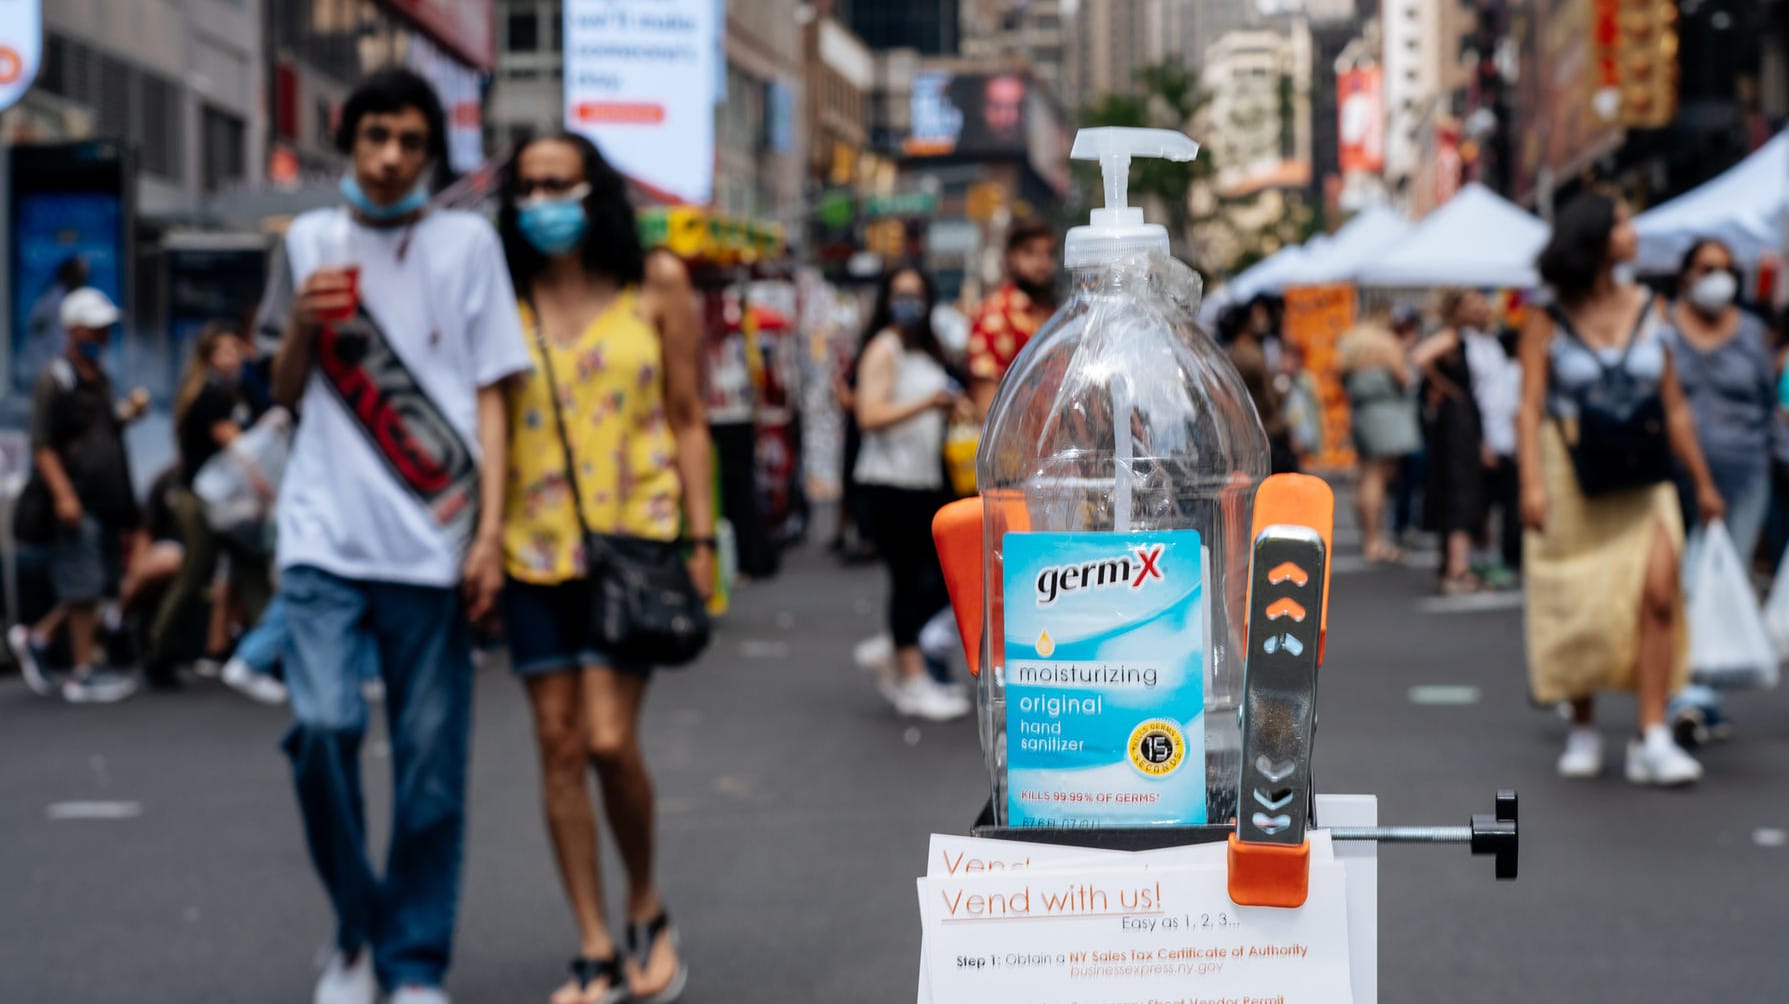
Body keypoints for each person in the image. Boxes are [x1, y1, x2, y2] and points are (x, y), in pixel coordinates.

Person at [256, 69, 530, 1004]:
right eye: (374, 136)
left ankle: (410, 961)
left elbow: (495, 396)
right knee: (323, 729)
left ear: (428, 152)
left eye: (409, 141)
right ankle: (353, 931)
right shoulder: (305, 240)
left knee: (429, 775)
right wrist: (300, 324)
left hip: (434, 541)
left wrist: (490, 533)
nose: (388, 157)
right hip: (321, 537)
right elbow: (282, 393)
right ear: (349, 139)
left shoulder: (468, 244)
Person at [495, 131, 711, 1004]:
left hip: (636, 541)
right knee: (556, 748)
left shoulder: (654, 283)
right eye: (529, 186)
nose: (545, 200)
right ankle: (591, 941)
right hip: (529, 546)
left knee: (609, 740)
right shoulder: (499, 294)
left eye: (561, 183)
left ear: (594, 191)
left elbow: (688, 414)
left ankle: (646, 904)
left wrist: (703, 542)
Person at [1518, 193, 1723, 786]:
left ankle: (1651, 732)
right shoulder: (1547, 318)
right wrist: (1531, 483)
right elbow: (1529, 407)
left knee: (1658, 592)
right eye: (1623, 222)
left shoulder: (1652, 307)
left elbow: (1675, 405)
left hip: (1645, 474)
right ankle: (1583, 725)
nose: (1634, 231)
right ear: (1596, 237)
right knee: (1579, 601)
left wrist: (1703, 483)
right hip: (1570, 468)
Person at [1658, 238, 1786, 745]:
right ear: (1686, 274)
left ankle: (1696, 695)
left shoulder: (1751, 334)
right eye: (1708, 268)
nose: (1719, 278)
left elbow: (1769, 409)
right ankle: (1684, 688)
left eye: (1727, 269)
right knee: (1676, 583)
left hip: (1745, 473)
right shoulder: (1663, 332)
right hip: (1675, 478)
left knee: (1720, 577)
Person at [7, 286, 148, 702]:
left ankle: (38, 638)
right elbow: (43, 443)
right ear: (74, 330)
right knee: (82, 583)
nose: (103, 337)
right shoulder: (56, 377)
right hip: (74, 498)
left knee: (93, 581)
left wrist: (126, 416)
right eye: (96, 328)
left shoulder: (98, 377)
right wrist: (64, 495)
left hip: (100, 498)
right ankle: (81, 672)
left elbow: (100, 434)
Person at [854, 265, 973, 722]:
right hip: (890, 483)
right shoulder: (883, 349)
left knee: (933, 577)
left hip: (923, 480)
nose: (910, 303)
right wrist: (929, 403)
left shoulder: (922, 350)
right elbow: (869, 414)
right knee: (908, 580)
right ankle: (912, 676)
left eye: (917, 294)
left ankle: (896, 648)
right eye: (901, 294)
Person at [142, 323, 271, 689]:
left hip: (234, 502)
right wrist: (267, 485)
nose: (233, 358)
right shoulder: (208, 396)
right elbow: (240, 447)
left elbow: (269, 419)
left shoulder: (242, 391)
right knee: (195, 572)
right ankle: (157, 650)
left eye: (236, 349)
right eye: (224, 351)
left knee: (252, 569)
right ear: (209, 358)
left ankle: (265, 655)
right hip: (201, 500)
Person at [1413, 291, 1491, 593]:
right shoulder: (1452, 336)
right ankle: (1457, 570)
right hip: (1458, 424)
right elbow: (1420, 357)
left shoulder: (1469, 339)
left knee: (1457, 489)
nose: (1478, 311)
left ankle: (1452, 566)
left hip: (1459, 421)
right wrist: (1449, 388)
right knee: (1461, 490)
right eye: (1470, 306)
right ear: (1457, 310)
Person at [1339, 313, 1421, 563]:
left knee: (1365, 475)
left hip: (1361, 415)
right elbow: (1404, 377)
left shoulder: (1350, 346)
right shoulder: (1385, 344)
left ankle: (1368, 535)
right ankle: (1374, 540)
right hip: (1384, 418)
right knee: (1376, 478)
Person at [966, 220, 1057, 419]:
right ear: (1010, 258)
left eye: (1048, 254)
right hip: (1013, 444)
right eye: (1029, 253)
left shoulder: (1051, 314)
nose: (1041, 263)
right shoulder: (995, 315)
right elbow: (986, 401)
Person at [1229, 297, 1299, 475]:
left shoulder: (1237, 352)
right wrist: (1284, 386)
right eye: (1257, 315)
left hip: (1249, 433)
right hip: (1264, 433)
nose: (1263, 320)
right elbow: (1269, 400)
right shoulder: (1251, 355)